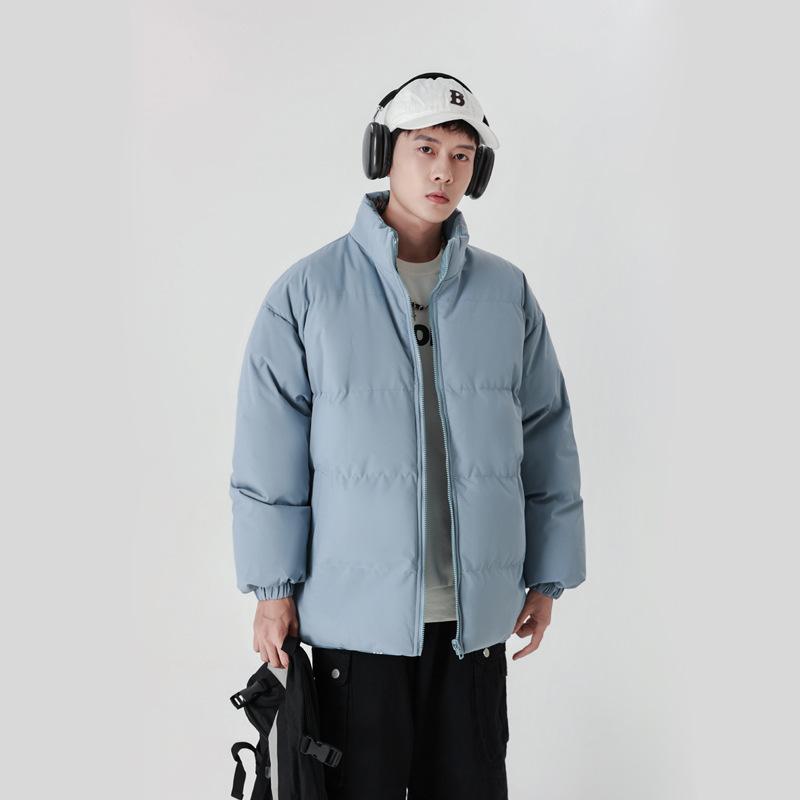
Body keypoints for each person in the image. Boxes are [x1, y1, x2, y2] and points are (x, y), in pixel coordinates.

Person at [229, 72, 586, 800]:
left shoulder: (507, 294)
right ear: (382, 153)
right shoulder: (308, 293)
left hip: (471, 626)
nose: (443, 171)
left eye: (461, 155)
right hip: (354, 633)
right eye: (425, 148)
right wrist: (271, 589)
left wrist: (546, 575)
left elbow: (547, 433)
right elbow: (269, 452)